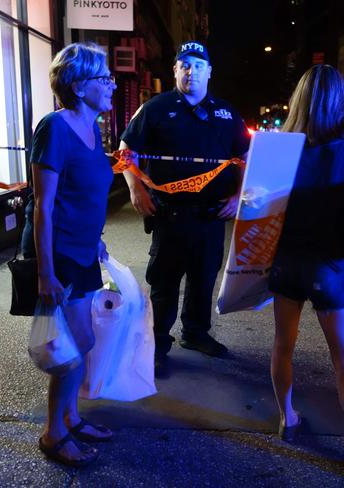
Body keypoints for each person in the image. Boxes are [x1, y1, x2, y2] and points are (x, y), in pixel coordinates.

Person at [268, 64, 344, 481]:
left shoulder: (279, 149)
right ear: (341, 103)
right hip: (329, 267)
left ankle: (287, 418)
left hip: (286, 262)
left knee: (283, 346)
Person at [119, 41, 250, 376]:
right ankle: (157, 344)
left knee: (203, 278)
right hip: (169, 213)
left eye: (198, 65)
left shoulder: (226, 113)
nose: (191, 71)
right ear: (175, 70)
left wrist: (238, 197)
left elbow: (246, 159)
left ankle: (195, 333)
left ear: (209, 71)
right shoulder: (156, 108)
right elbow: (126, 152)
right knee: (164, 282)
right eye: (185, 65)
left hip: (211, 215)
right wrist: (136, 190)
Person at [30, 42, 116, 467]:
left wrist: (96, 237)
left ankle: (72, 417)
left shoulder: (93, 129)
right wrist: (45, 273)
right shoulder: (55, 128)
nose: (112, 84)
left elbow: (85, 195)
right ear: (80, 86)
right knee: (73, 344)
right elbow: (43, 206)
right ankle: (54, 432)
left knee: (79, 342)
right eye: (104, 78)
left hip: (83, 250)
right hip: (61, 254)